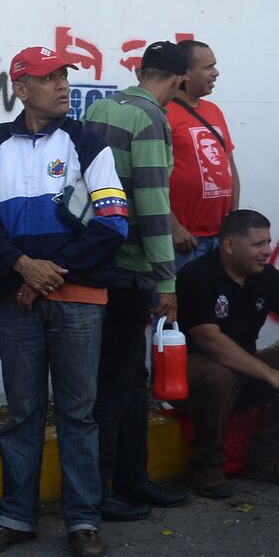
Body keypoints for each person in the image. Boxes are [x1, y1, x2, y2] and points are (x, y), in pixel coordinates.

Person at [0, 47, 129, 557]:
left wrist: (43, 274)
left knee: (78, 413)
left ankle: (83, 519)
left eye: (63, 76)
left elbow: (112, 222)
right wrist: (22, 268)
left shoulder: (89, 143)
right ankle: (16, 517)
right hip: (18, 298)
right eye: (48, 77)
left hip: (76, 299)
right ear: (19, 87)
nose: (61, 85)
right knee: (23, 412)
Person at [82, 41, 190, 520]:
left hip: (97, 263)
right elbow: (151, 204)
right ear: (179, 80)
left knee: (124, 378)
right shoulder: (150, 120)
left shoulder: (103, 105)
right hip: (129, 271)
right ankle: (106, 490)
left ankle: (131, 479)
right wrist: (166, 282)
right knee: (116, 383)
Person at [176, 210, 279, 498]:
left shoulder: (267, 276)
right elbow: (209, 340)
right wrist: (273, 376)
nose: (267, 251)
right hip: (195, 378)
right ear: (229, 245)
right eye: (258, 244)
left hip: (244, 372)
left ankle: (267, 458)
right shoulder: (197, 275)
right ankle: (208, 467)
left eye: (268, 242)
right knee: (216, 374)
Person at [167, 40, 238, 271]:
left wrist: (233, 221)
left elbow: (231, 169)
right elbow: (148, 178)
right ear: (185, 74)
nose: (215, 73)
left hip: (220, 238)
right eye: (208, 67)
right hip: (184, 241)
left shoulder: (214, 111)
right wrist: (174, 227)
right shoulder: (163, 113)